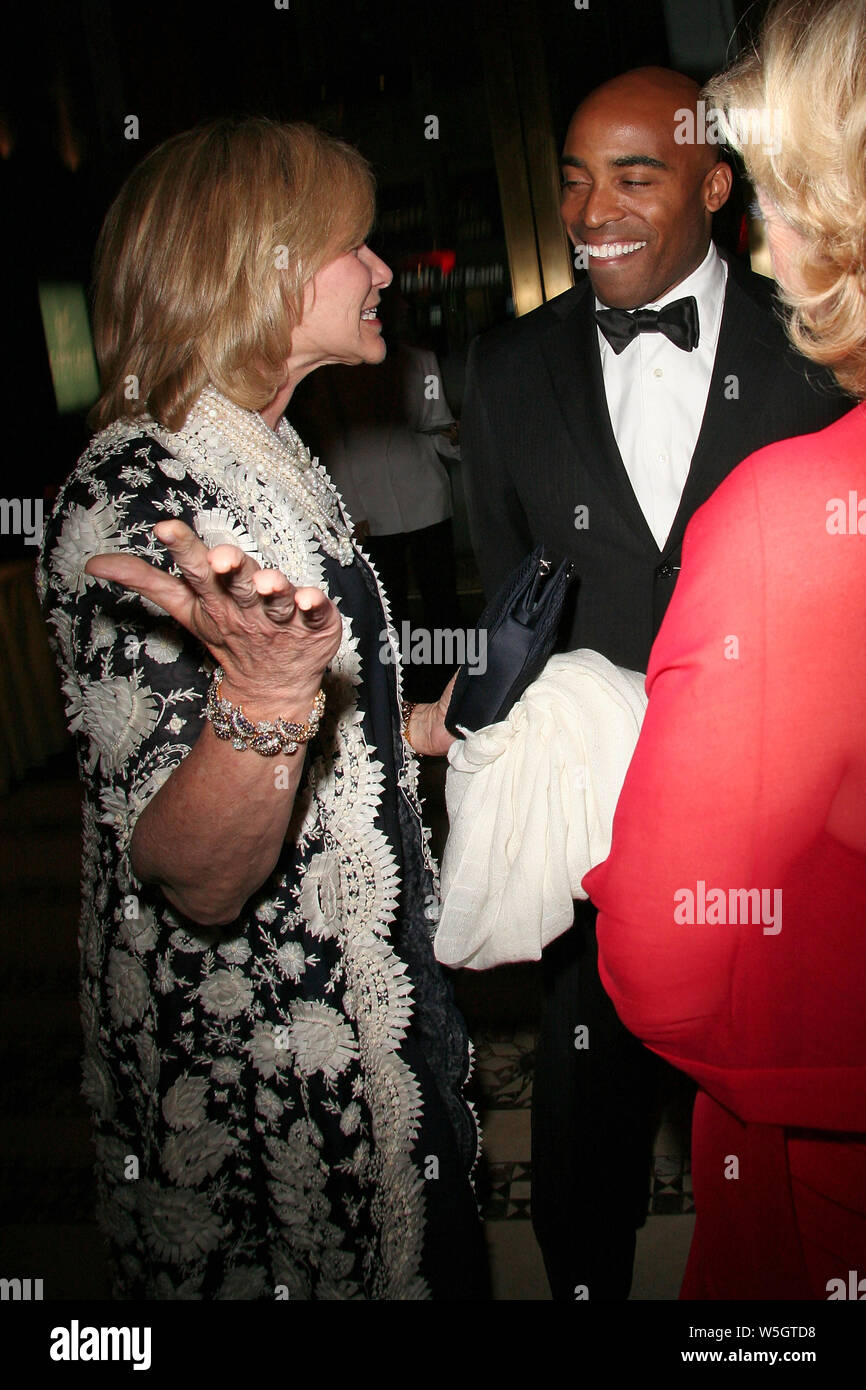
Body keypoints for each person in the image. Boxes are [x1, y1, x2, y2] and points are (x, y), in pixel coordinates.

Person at [37, 117, 487, 1301]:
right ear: (259, 265)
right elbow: (195, 874)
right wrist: (270, 692)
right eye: (354, 246)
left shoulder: (267, 453)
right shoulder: (141, 492)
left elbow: (311, 710)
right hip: (261, 1043)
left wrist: (411, 732)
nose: (383, 270)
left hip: (370, 970)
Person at [461, 65, 848, 1300]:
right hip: (591, 836)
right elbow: (503, 592)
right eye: (573, 178)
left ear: (715, 184)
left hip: (789, 825)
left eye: (634, 173)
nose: (593, 207)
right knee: (584, 1127)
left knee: (787, 1131)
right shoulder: (505, 370)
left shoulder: (818, 347)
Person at [585, 0, 866, 1300]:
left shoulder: (797, 505)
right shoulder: (511, 366)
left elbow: (667, 970)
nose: (767, 228)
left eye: (771, 188)